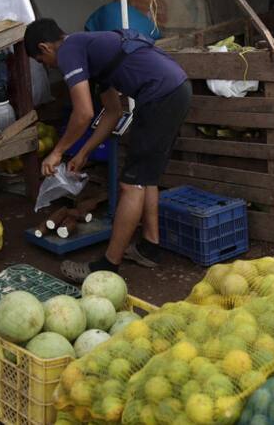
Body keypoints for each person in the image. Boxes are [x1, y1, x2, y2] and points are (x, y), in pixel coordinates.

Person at [25, 18, 191, 283]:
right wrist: (84, 152)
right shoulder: (91, 50)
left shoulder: (69, 50)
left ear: (45, 48)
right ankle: (150, 248)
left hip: (160, 96)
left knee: (130, 185)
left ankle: (107, 265)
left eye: (41, 61)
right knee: (145, 178)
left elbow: (83, 114)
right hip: (176, 89)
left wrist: (57, 152)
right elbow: (113, 113)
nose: (47, 66)